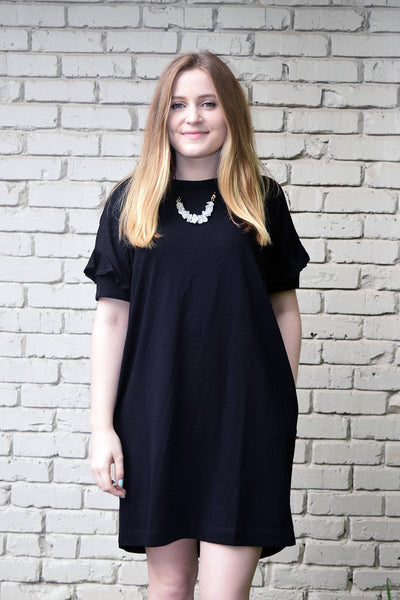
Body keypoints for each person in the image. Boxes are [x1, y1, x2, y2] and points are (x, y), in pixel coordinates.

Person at [84, 51, 310, 600]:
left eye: (208, 103)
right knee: (169, 587)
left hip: (243, 419)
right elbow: (112, 319)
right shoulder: (130, 202)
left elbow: (284, 309)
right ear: (161, 115)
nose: (193, 116)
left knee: (225, 593)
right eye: (178, 104)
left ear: (230, 112)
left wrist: (276, 403)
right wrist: (102, 428)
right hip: (155, 416)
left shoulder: (261, 198)